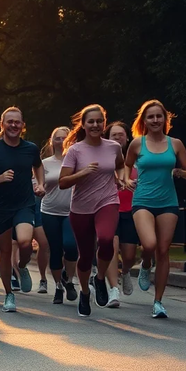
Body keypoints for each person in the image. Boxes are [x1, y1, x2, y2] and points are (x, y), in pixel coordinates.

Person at [125, 100, 186, 318]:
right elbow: (126, 165)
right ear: (144, 121)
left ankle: (158, 302)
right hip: (143, 201)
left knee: (163, 251)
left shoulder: (176, 144)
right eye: (151, 117)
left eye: (159, 116)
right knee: (150, 244)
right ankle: (145, 264)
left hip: (168, 202)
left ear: (165, 119)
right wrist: (127, 180)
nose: (155, 120)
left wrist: (181, 173)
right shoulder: (137, 144)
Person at [59, 104, 126, 317]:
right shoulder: (75, 150)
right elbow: (62, 182)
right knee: (85, 256)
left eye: (99, 121)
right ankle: (86, 292)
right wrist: (83, 173)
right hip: (81, 208)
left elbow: (120, 164)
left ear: (104, 123)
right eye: (91, 122)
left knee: (107, 239)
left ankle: (99, 279)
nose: (95, 125)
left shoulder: (113, 146)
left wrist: (122, 179)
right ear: (84, 125)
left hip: (108, 201)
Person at [0, 107, 45, 313]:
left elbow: (38, 166)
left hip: (24, 204)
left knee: (24, 241)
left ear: (22, 125)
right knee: (4, 252)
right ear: (2, 125)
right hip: (0, 207)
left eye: (17, 122)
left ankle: (22, 266)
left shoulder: (30, 148)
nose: (13, 125)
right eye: (9, 122)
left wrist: (40, 184)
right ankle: (9, 294)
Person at [39, 127, 78, 304]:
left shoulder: (77, 160)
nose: (61, 141)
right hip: (50, 211)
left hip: (72, 211)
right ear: (51, 141)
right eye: (57, 138)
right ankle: (58, 287)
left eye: (65, 137)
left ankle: (68, 280)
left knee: (70, 246)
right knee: (55, 249)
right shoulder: (44, 163)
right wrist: (38, 187)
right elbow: (37, 183)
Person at [104, 122, 137, 297]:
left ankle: (125, 272)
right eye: (113, 135)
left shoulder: (137, 158)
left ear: (127, 137)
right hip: (110, 209)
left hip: (131, 211)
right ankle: (113, 289)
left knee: (129, 255)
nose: (117, 137)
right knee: (111, 247)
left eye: (120, 134)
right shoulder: (104, 158)